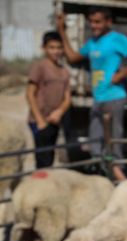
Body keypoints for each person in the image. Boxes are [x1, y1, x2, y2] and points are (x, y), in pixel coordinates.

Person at [56, 6, 127, 180]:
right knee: (95, 140)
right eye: (91, 22)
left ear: (108, 22)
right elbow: (73, 58)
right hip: (98, 98)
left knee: (113, 140)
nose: (94, 25)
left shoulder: (117, 39)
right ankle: (101, 175)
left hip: (114, 97)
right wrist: (61, 30)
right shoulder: (92, 43)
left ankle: (119, 178)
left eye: (98, 21)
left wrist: (120, 75)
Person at [26, 31, 71, 168]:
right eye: (51, 47)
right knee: (42, 158)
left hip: (54, 120)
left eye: (59, 48)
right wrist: (40, 120)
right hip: (39, 121)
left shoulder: (64, 71)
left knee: (50, 157)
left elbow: (67, 98)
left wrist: (59, 112)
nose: (55, 51)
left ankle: (45, 185)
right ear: (44, 48)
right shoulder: (40, 67)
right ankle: (39, 187)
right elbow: (30, 93)